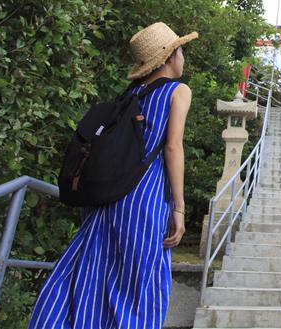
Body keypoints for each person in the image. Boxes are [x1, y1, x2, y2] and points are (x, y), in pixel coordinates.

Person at [28, 22, 196, 329]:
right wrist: (180, 208)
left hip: (109, 197)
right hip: (144, 200)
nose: (183, 58)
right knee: (137, 285)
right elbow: (172, 148)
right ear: (170, 57)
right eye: (181, 51)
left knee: (91, 273)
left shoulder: (130, 95)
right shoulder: (178, 91)